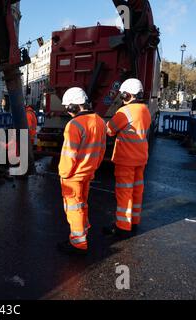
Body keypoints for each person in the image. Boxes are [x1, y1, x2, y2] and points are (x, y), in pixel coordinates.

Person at [57, 87, 107, 255]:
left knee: (74, 208)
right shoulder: (99, 120)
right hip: (88, 173)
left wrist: (64, 174)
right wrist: (93, 167)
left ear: (73, 107)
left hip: (73, 176)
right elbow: (101, 150)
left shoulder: (74, 125)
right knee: (82, 205)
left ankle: (78, 244)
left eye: (67, 107)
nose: (67, 111)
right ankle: (82, 234)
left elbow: (68, 154)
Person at [104, 78, 152, 237]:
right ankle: (134, 221)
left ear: (126, 95)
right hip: (141, 157)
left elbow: (110, 130)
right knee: (137, 190)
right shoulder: (145, 109)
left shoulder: (125, 112)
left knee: (124, 193)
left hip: (126, 159)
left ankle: (122, 226)